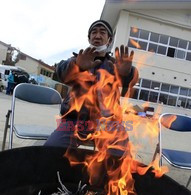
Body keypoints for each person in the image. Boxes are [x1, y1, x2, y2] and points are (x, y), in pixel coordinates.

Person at [44, 20, 138, 148]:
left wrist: (127, 73)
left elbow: (131, 82)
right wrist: (77, 66)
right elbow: (60, 72)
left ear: (109, 40)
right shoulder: (78, 60)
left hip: (108, 124)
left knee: (120, 155)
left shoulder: (114, 65)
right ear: (89, 39)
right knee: (52, 149)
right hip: (74, 121)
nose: (97, 36)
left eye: (102, 32)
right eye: (94, 32)